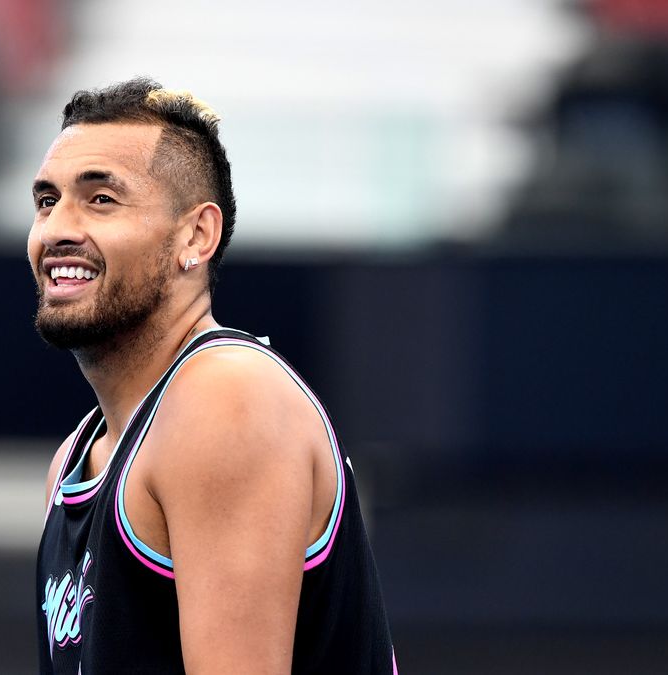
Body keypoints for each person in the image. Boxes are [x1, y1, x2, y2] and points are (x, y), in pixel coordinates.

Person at [31, 77, 396, 674]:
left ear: (196, 235)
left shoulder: (226, 398)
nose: (58, 229)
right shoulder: (74, 458)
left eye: (101, 200)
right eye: (47, 201)